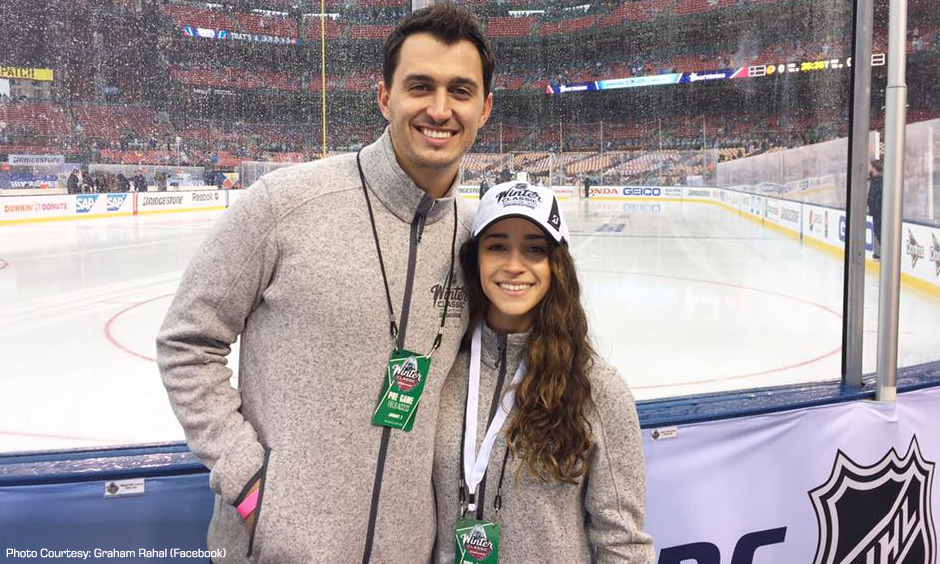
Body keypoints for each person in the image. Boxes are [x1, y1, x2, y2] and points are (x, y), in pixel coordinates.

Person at [156, 3, 493, 563]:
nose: (440, 109)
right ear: (384, 98)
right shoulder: (286, 203)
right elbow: (186, 342)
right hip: (277, 548)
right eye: (419, 86)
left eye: (460, 91)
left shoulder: (476, 242)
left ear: (484, 108)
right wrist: (250, 484)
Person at [433, 182, 654, 564]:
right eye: (497, 246)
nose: (514, 265)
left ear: (556, 265)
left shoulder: (597, 388)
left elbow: (623, 546)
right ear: (476, 261)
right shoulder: (444, 370)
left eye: (534, 249)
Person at [867, 159, 883, 259]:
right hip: (876, 212)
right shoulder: (875, 180)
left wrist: (872, 208)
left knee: (879, 232)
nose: (870, 169)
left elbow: (875, 197)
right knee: (877, 232)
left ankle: (882, 253)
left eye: (871, 167)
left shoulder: (878, 181)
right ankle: (879, 253)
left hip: (878, 212)